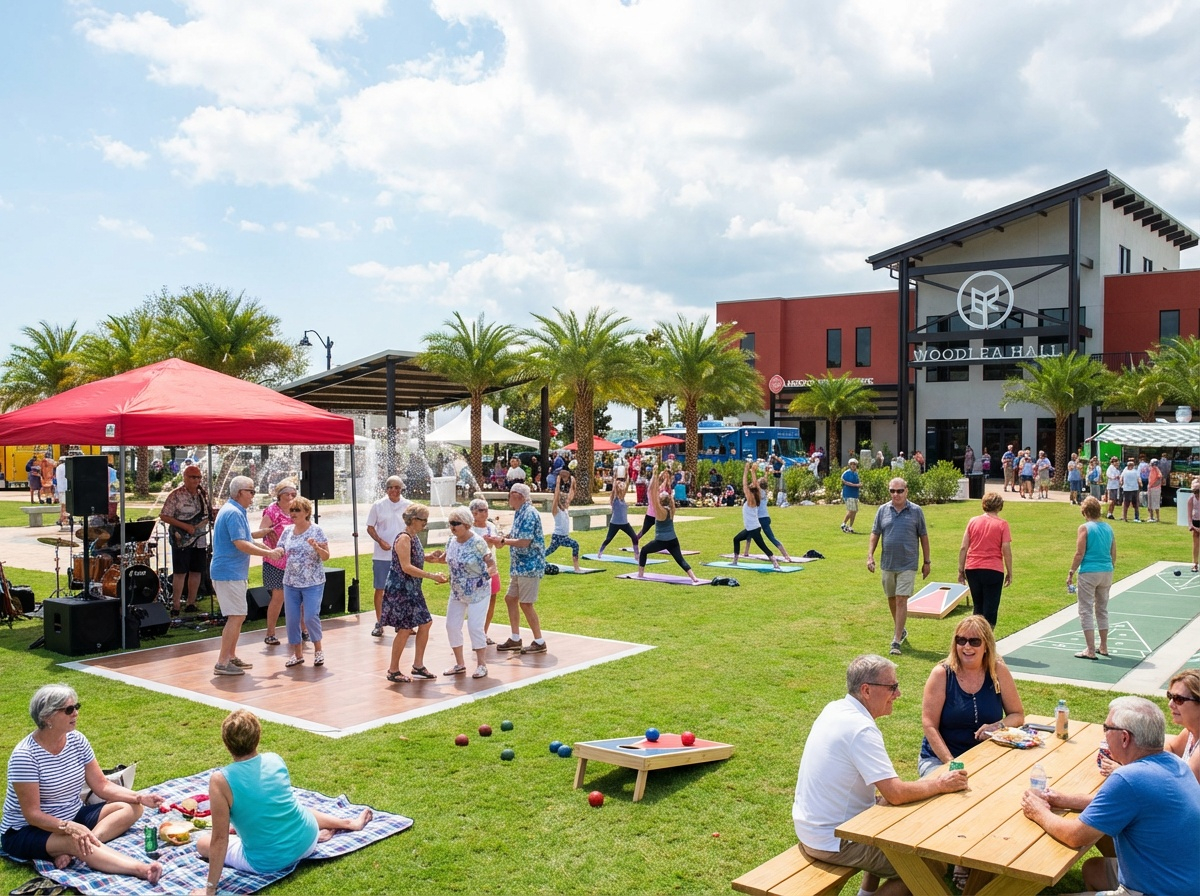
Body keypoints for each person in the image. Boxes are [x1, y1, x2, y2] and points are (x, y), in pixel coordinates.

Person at [793, 655, 968, 896]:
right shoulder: (861, 729)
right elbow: (895, 793)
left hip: (811, 827)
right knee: (928, 866)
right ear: (866, 690)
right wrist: (940, 783)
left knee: (886, 819)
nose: (898, 694)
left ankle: (865, 893)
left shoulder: (835, 708)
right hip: (834, 839)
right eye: (892, 687)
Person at [1021, 695, 1200, 896]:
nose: (1104, 734)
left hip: (1158, 891)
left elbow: (1075, 836)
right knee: (1093, 869)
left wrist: (1037, 811)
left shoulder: (1129, 778)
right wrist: (1063, 799)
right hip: (1185, 882)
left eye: (1106, 728)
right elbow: (1126, 804)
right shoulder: (1174, 763)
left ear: (1124, 737)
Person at [192, 709, 371, 893]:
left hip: (268, 861)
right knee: (292, 808)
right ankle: (347, 824)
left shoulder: (220, 780)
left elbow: (220, 839)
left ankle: (328, 831)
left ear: (226, 742)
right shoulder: (274, 759)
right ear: (258, 736)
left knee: (202, 843)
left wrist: (209, 890)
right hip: (306, 840)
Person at [2, 684, 165, 882]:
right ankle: (142, 870)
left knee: (133, 807)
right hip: (26, 830)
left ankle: (81, 845)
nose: (76, 713)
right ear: (47, 717)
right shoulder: (25, 757)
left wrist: (139, 797)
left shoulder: (77, 741)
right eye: (69, 709)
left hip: (73, 815)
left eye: (76, 706)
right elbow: (33, 815)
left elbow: (102, 785)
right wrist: (68, 828)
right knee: (74, 840)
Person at [919, 616, 1024, 776]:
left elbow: (1017, 714)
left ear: (986, 646)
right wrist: (951, 764)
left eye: (974, 641)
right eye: (961, 640)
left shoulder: (998, 671)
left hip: (985, 757)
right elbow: (929, 725)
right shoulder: (941, 674)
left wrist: (997, 726)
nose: (967, 646)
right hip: (941, 759)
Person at [210, 476, 285, 676]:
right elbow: (241, 544)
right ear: (240, 492)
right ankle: (223, 662)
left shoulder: (236, 510)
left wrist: (271, 548)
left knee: (238, 615)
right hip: (228, 573)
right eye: (251, 491)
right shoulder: (233, 513)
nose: (253, 495)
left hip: (232, 572)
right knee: (236, 616)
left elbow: (248, 538)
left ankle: (231, 657)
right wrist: (269, 553)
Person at [382, 503, 446, 683]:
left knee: (425, 623)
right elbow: (406, 566)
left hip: (412, 590)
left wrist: (428, 557)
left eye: (426, 519)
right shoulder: (404, 538)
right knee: (404, 629)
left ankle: (418, 666)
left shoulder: (413, 536)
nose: (425, 523)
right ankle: (393, 670)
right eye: (422, 519)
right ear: (412, 519)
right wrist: (432, 575)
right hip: (401, 590)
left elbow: (412, 557)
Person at [867, 478, 930, 657]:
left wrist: (927, 562)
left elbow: (924, 537)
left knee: (902, 599)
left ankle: (896, 640)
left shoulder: (916, 511)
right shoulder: (882, 510)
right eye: (892, 491)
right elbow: (875, 533)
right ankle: (900, 629)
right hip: (888, 563)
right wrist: (870, 555)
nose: (896, 494)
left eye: (899, 491)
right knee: (892, 598)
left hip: (908, 564)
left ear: (906, 491)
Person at [483, 483, 549, 655]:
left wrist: (503, 542)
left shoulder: (529, 513)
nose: (508, 498)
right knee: (510, 599)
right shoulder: (521, 511)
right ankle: (515, 638)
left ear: (518, 496)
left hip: (529, 566)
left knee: (526, 604)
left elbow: (525, 541)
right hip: (520, 566)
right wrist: (501, 538)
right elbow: (516, 535)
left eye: (510, 495)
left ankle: (539, 641)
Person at [440, 506, 498, 679]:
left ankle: (482, 665)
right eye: (451, 523)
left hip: (478, 591)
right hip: (457, 591)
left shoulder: (477, 542)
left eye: (456, 523)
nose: (452, 526)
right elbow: (449, 559)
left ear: (466, 524)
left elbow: (490, 561)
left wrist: (490, 571)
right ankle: (459, 664)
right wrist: (434, 559)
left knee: (474, 626)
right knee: (451, 625)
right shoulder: (451, 541)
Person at [278, 496, 328, 669]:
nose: (293, 513)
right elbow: (281, 549)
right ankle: (297, 654)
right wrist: (268, 551)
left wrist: (317, 548)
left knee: (310, 616)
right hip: (290, 581)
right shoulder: (287, 531)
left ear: (307, 512)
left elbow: (326, 557)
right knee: (292, 619)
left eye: (297, 510)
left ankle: (318, 649)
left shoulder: (316, 531)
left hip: (312, 581)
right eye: (292, 510)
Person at [160, 464, 213, 616]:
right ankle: (175, 604)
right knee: (180, 572)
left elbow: (207, 514)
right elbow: (164, 515)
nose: (196, 480)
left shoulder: (203, 495)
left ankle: (191, 602)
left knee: (196, 571)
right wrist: (185, 526)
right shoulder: (176, 495)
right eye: (192, 477)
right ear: (184, 477)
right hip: (181, 538)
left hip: (200, 538)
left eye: (198, 477)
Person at [1066, 495, 1116, 660]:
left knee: (1085, 609)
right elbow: (1113, 553)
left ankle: (1090, 649)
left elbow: (1080, 552)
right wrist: (1110, 568)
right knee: (1102, 609)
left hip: (1089, 572)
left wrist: (1071, 571)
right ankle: (1104, 646)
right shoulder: (1108, 528)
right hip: (1106, 571)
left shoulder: (1084, 528)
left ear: (1085, 512)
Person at [259, 479, 305, 647]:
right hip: (275, 560)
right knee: (278, 597)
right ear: (279, 495)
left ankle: (303, 630)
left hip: (294, 560)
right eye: (288, 494)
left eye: (294, 494)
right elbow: (260, 532)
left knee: (300, 597)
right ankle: (270, 633)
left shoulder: (297, 509)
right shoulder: (272, 511)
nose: (291, 497)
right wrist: (267, 532)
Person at [956, 492, 1013, 628]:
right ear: (999, 506)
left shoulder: (973, 521)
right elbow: (1006, 549)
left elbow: (964, 547)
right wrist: (1010, 571)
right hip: (993, 569)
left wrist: (960, 570)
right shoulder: (1002, 524)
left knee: (978, 607)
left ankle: (976, 638)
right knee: (991, 609)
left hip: (973, 568)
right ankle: (986, 642)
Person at [637, 465, 700, 582]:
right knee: (680, 560)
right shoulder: (672, 509)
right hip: (673, 540)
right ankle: (694, 577)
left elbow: (652, 492)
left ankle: (640, 574)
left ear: (660, 500)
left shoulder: (659, 511)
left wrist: (655, 474)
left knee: (644, 551)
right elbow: (669, 497)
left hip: (661, 541)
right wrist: (666, 481)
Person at [366, 476, 410, 638]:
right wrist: (380, 540)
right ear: (386, 489)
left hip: (403, 556)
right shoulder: (378, 505)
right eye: (391, 487)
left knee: (404, 590)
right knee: (380, 590)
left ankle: (402, 623)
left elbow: (414, 528)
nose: (394, 490)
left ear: (401, 489)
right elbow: (370, 527)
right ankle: (380, 622)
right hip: (382, 555)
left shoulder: (408, 506)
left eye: (397, 487)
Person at [732, 461, 778, 569]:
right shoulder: (756, 495)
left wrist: (746, 470)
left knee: (763, 546)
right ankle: (735, 561)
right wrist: (752, 471)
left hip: (753, 528)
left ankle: (774, 561)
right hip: (750, 528)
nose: (750, 484)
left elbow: (744, 484)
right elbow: (756, 485)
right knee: (736, 539)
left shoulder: (751, 499)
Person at [468, 498, 501, 644]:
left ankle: (484, 633)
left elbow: (498, 546)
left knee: (492, 600)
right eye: (481, 510)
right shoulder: (468, 528)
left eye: (486, 509)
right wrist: (483, 542)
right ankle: (475, 634)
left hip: (492, 569)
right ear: (473, 512)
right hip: (474, 571)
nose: (485, 513)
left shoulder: (491, 526)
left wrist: (498, 541)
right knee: (475, 604)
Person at [1164, 669, 1200, 784]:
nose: (1170, 704)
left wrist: (1127, 771)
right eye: (1170, 696)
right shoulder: (1191, 731)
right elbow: (1170, 749)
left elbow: (1182, 788)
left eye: (1179, 699)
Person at [544, 469, 582, 572]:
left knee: (548, 551)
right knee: (575, 544)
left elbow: (572, 493)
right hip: (558, 537)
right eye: (564, 499)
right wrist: (558, 481)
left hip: (564, 536)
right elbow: (556, 496)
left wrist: (573, 482)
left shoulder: (565, 510)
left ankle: (539, 557)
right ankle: (576, 567)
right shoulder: (556, 511)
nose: (567, 500)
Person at [596, 477, 638, 560]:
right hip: (614, 523)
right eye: (620, 486)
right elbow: (614, 490)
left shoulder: (623, 498)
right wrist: (616, 482)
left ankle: (637, 554)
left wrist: (627, 472)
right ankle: (600, 552)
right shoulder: (614, 499)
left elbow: (626, 485)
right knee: (608, 539)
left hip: (625, 524)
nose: (621, 487)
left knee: (634, 537)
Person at [754, 476, 794, 562]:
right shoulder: (764, 492)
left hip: (762, 519)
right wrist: (766, 473)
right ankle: (745, 552)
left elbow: (756, 484)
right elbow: (763, 481)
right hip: (765, 517)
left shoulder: (760, 492)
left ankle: (786, 556)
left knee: (771, 538)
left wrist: (752, 471)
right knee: (749, 533)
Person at [840, 457, 861, 534]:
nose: (853, 466)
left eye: (854, 464)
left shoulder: (857, 474)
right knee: (851, 510)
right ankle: (843, 523)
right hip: (848, 494)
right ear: (849, 465)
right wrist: (856, 485)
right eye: (851, 464)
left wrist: (860, 485)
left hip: (855, 494)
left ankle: (850, 526)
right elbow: (845, 482)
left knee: (854, 511)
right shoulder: (846, 473)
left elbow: (861, 482)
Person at [1118, 458, 1141, 522]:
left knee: (1126, 504)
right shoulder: (1135, 471)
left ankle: (1125, 518)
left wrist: (1121, 484)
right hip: (1134, 489)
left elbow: (1121, 479)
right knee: (1135, 504)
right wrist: (1141, 485)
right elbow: (1139, 479)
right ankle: (1136, 517)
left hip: (1126, 489)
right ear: (1133, 466)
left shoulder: (1124, 471)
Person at [1188, 478, 1200, 573]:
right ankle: (1195, 563)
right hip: (1195, 522)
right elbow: (1189, 514)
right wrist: (1191, 525)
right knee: (1195, 545)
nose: (1196, 494)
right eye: (1195, 492)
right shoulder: (1191, 499)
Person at [1146, 457, 1162, 523]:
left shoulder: (1156, 469)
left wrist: (1152, 485)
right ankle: (1151, 516)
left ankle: (1157, 517)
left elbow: (1159, 478)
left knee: (1155, 503)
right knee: (1150, 503)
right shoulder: (1152, 469)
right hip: (1151, 488)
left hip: (1155, 489)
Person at [54, 455, 69, 527]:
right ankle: (64, 520)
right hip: (66, 488)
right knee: (65, 506)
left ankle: (61, 519)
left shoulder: (58, 468)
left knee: (63, 505)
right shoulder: (66, 467)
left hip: (60, 489)